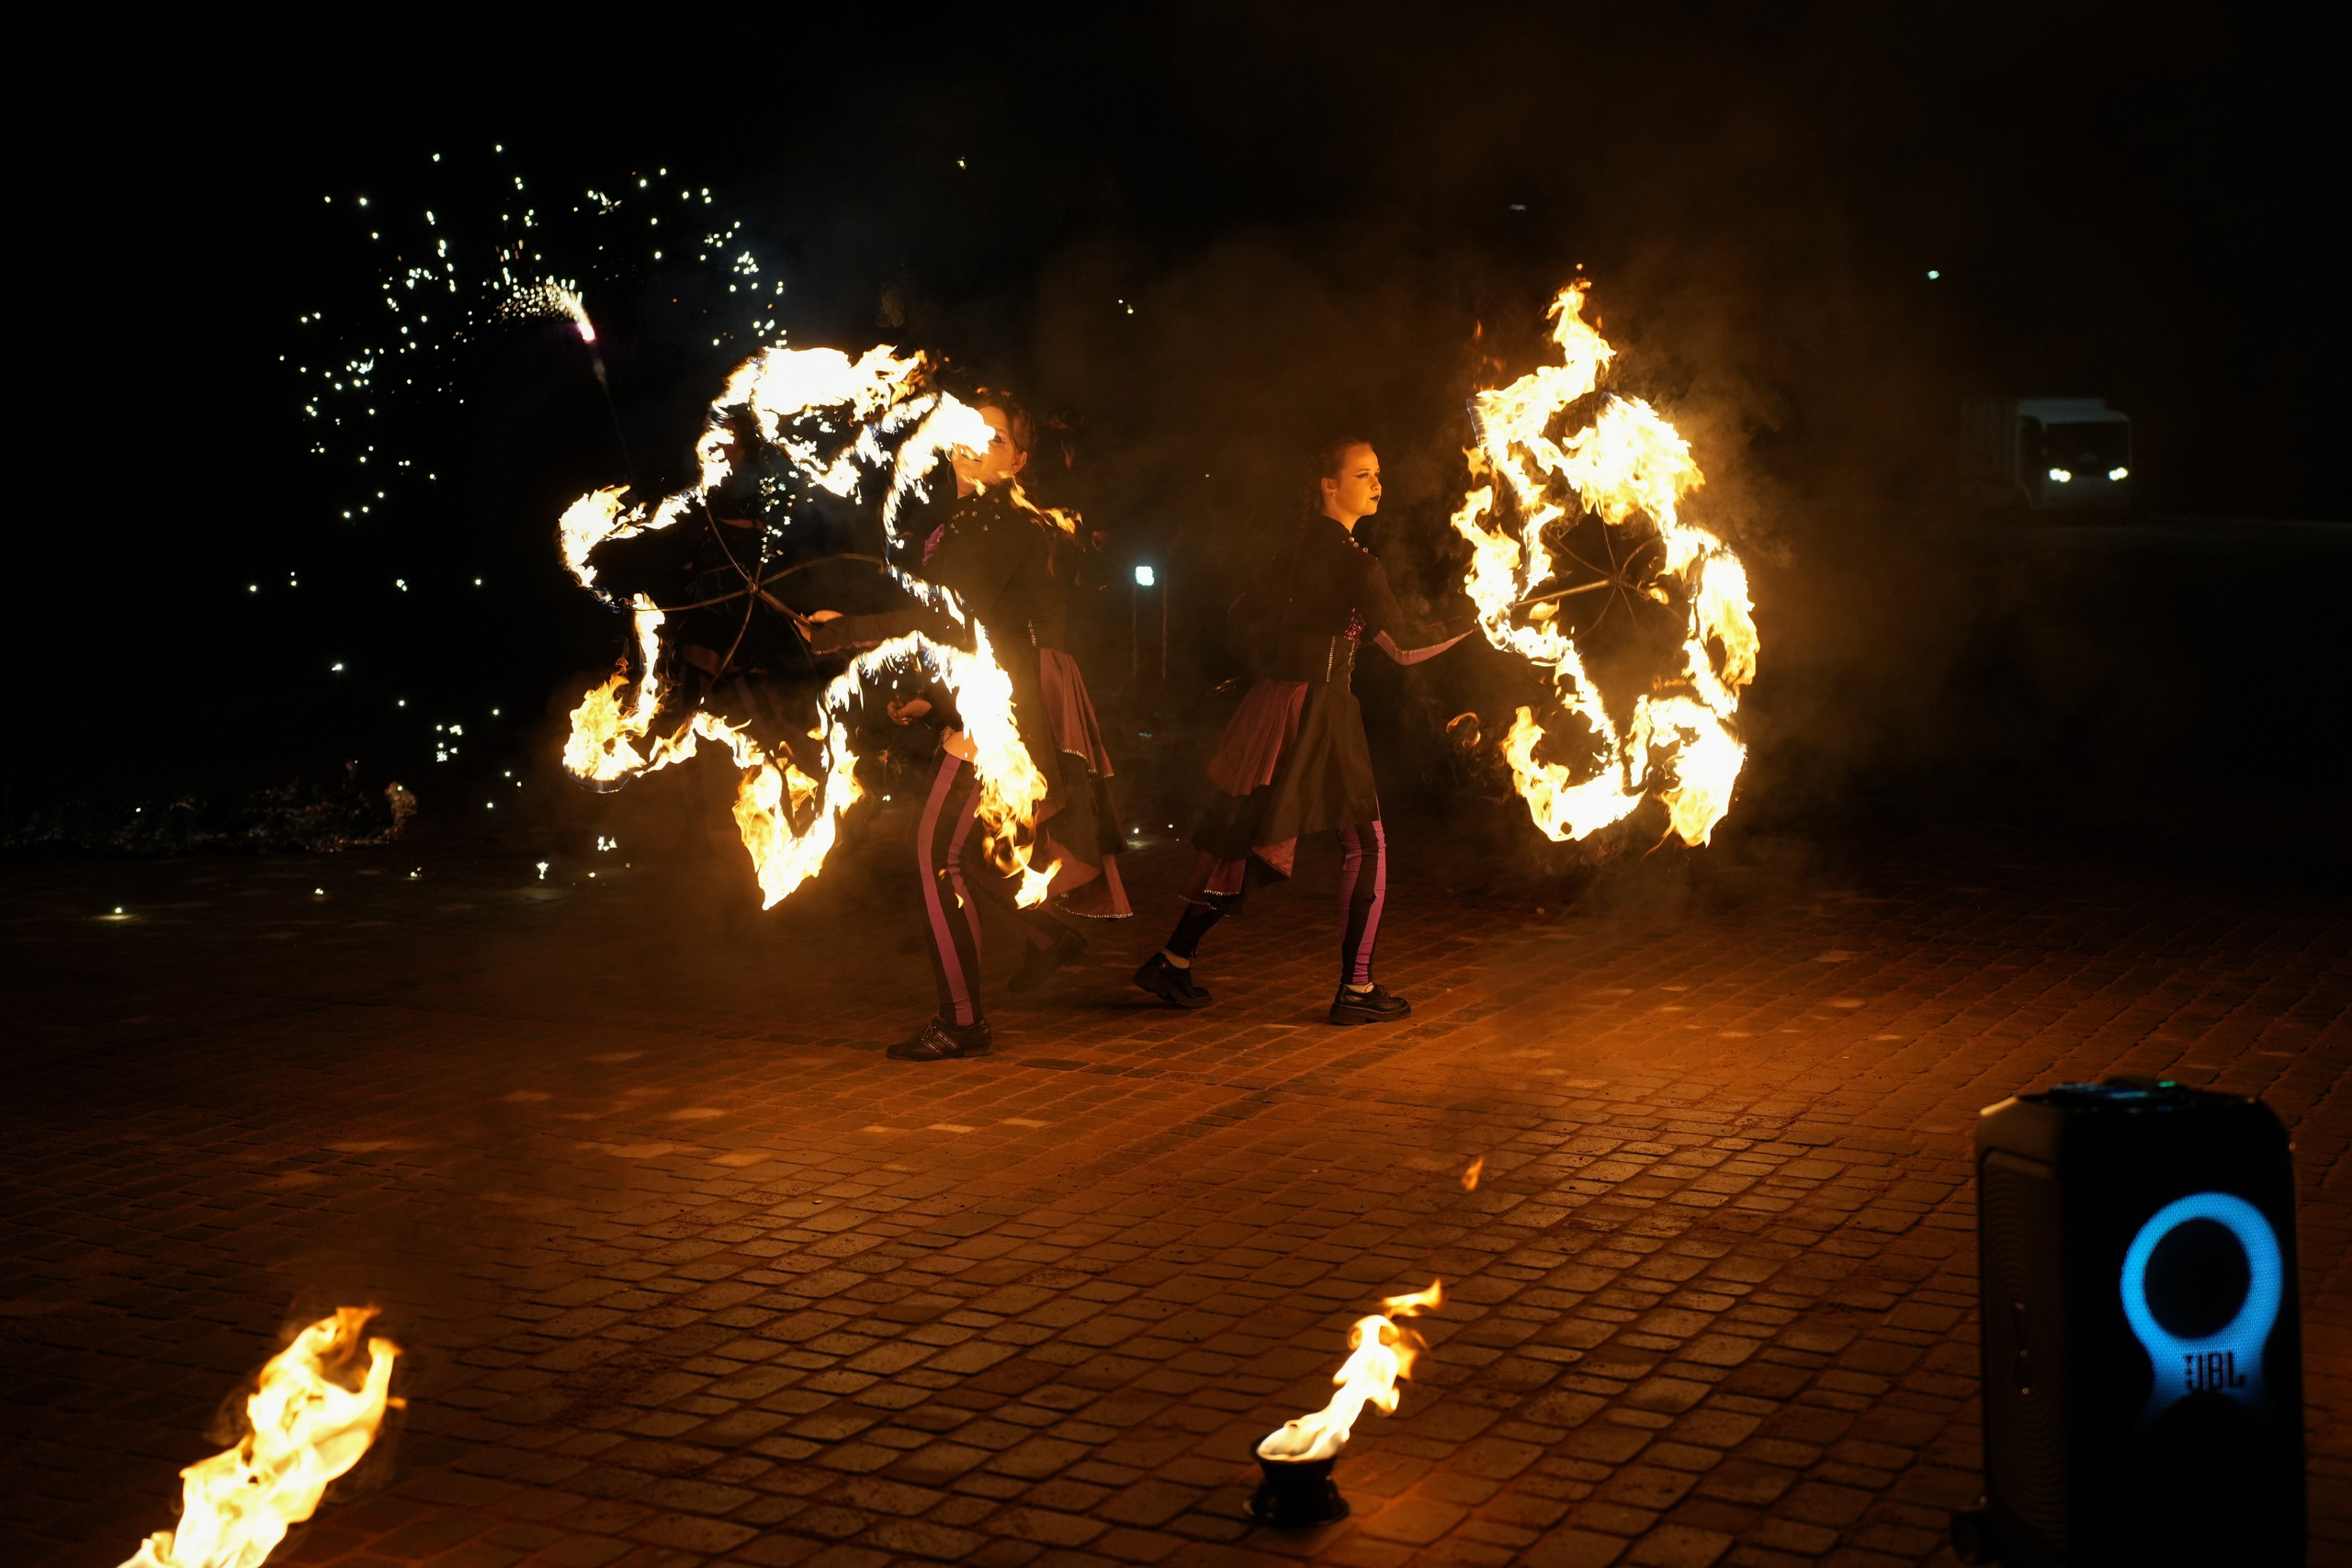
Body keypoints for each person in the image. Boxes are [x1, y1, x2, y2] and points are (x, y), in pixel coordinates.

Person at [807, 390, 1128, 1062]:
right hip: (988, 691)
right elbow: (972, 629)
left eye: (998, 439)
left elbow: (950, 622)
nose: (978, 446)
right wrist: (927, 696)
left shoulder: (996, 522)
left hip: (1004, 703)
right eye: (969, 432)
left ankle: (962, 1019)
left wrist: (850, 634)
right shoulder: (964, 521)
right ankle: (1043, 941)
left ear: (1019, 460)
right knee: (966, 850)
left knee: (936, 853)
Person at [1133, 438, 1472, 1025]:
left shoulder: (1288, 551)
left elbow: (1243, 616)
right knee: (1365, 845)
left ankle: (1173, 960)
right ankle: (1357, 989)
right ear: (1329, 486)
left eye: (1378, 474)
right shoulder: (1355, 562)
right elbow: (1407, 647)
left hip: (1273, 703)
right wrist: (1480, 617)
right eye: (1362, 474)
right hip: (1321, 709)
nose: (1376, 484)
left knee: (1242, 835)